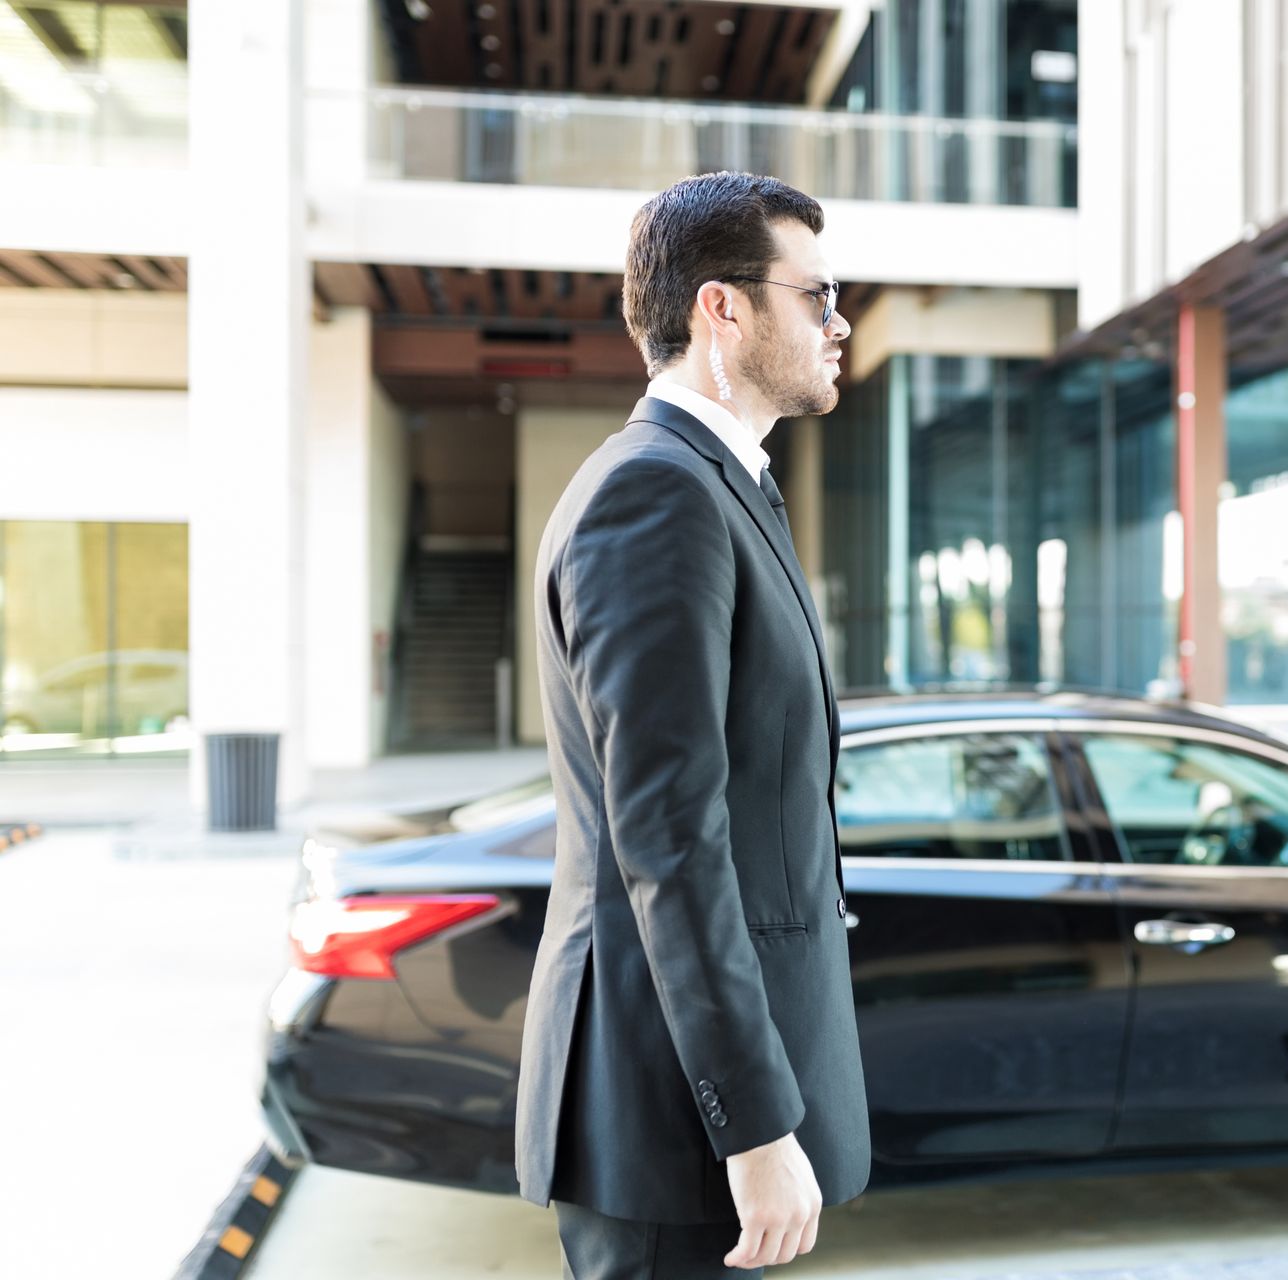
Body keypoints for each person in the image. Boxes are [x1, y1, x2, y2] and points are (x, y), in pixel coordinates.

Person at [514, 172, 867, 1279]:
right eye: (817, 295)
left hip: (695, 1111)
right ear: (724, 308)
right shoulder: (656, 494)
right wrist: (753, 1126)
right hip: (674, 1124)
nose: (839, 322)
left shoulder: (720, 485)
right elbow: (669, 837)